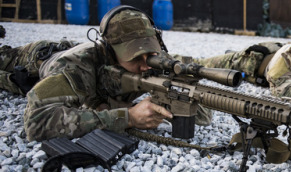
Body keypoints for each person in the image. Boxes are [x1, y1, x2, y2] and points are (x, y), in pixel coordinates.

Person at [0, 5, 210, 142]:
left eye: (151, 54)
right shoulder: (75, 69)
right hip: (37, 58)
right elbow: (36, 122)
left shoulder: (154, 60)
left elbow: (203, 114)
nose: (146, 65)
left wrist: (169, 99)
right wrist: (126, 117)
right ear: (109, 52)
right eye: (134, 57)